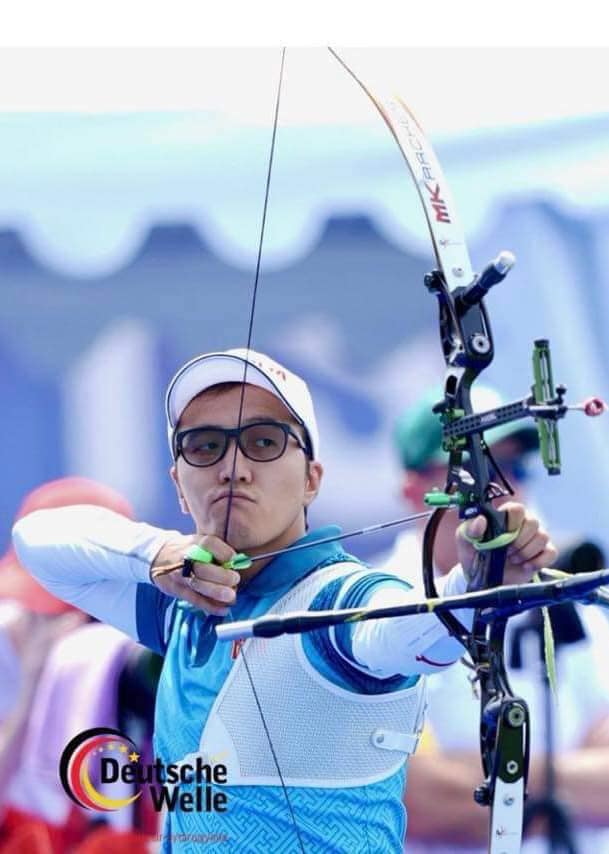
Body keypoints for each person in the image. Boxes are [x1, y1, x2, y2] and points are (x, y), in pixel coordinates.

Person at [12, 349, 556, 853]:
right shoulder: (176, 608)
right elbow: (37, 541)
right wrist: (158, 553)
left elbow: (409, 632)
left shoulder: (340, 599)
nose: (233, 467)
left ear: (311, 479)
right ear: (178, 483)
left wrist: (473, 583)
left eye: (264, 442)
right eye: (205, 446)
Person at [384, 386, 609, 853]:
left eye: (515, 469)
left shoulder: (562, 590)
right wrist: (572, 781)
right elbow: (416, 799)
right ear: (414, 490)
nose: (503, 491)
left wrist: (493, 783)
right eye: (476, 470)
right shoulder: (380, 608)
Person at [0, 477, 160, 854]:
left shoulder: (125, 662)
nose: (45, 627)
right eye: (35, 605)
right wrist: (31, 692)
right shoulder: (8, 635)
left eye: (61, 611)